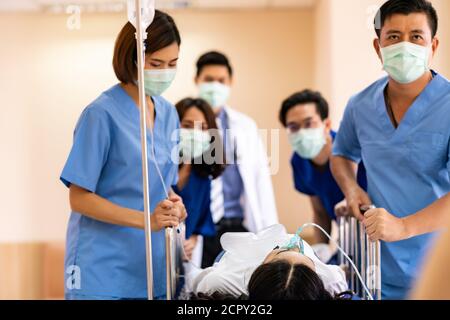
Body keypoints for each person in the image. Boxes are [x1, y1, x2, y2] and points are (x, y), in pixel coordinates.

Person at [60, 10, 187, 300]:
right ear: (132, 58)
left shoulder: (168, 113)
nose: (165, 72)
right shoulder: (101, 114)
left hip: (150, 265)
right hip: (102, 268)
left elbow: (160, 183)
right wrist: (147, 220)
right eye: (155, 63)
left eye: (173, 64)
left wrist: (174, 207)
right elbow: (78, 197)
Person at [330, 0, 450, 299]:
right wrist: (352, 189)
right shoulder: (360, 105)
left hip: (439, 270)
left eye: (416, 36)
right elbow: (341, 154)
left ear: (432, 45)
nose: (405, 45)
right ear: (378, 45)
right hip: (378, 270)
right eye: (394, 36)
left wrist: (403, 227)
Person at [195, 51, 279, 267]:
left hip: (240, 226)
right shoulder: (183, 125)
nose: (215, 86)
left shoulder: (245, 126)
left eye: (221, 81)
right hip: (202, 229)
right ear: (197, 81)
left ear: (230, 82)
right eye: (208, 80)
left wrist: (272, 233)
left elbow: (261, 181)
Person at [279, 90, 367, 263]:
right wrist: (319, 254)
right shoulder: (299, 162)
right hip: (347, 241)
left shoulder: (353, 150)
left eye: (308, 123)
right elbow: (320, 213)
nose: (302, 132)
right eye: (293, 127)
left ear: (326, 125)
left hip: (376, 236)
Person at [186, 224, 348, 299]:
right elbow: (341, 273)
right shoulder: (330, 281)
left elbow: (194, 280)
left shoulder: (223, 281)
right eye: (304, 255)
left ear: (261, 267)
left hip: (235, 254)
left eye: (280, 251)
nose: (291, 243)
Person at [173, 98, 226, 264]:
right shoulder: (158, 170)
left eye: (202, 128)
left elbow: (202, 220)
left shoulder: (202, 177)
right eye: (187, 126)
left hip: (183, 261)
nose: (195, 133)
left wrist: (193, 240)